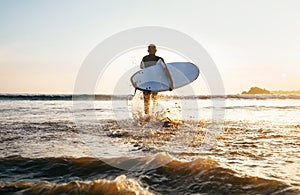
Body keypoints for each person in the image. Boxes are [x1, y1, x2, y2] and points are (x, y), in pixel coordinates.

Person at [140, 44, 165, 120]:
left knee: (146, 99)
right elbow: (164, 69)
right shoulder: (159, 59)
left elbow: (141, 67)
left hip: (146, 81)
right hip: (155, 81)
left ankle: (146, 116)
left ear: (148, 51)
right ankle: (154, 116)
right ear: (155, 50)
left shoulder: (144, 58)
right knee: (154, 98)